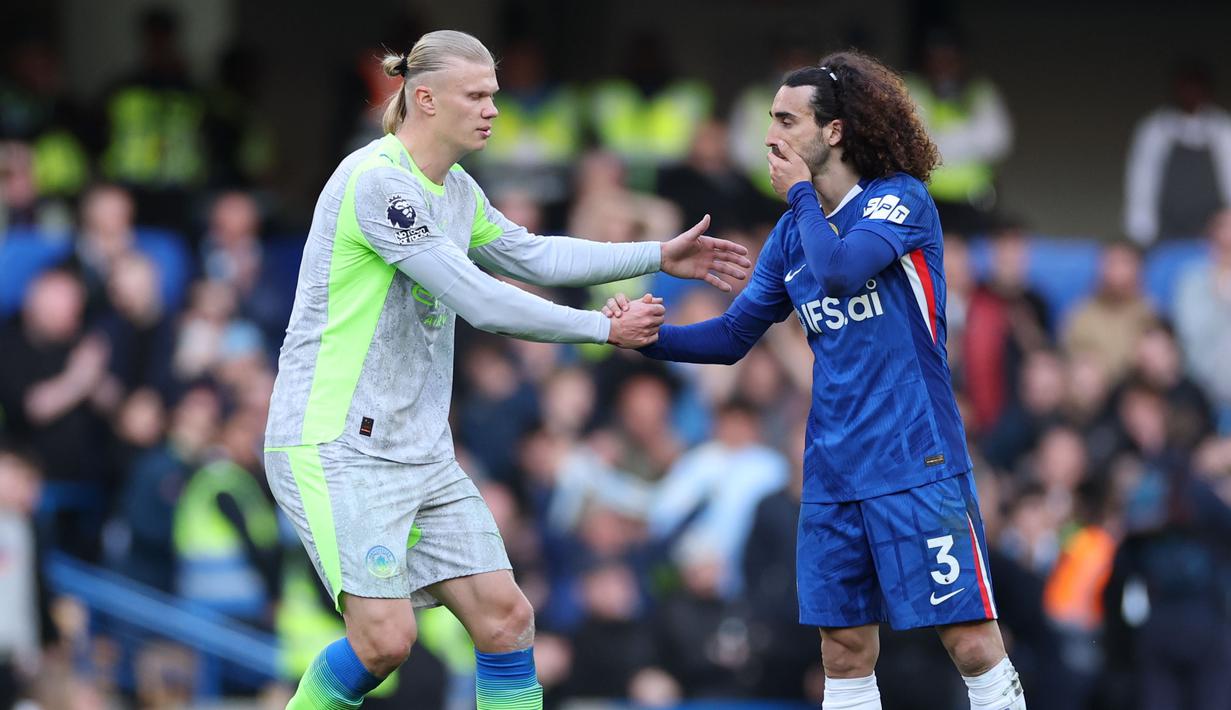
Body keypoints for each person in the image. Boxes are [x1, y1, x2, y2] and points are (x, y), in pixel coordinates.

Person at [262, 30, 751, 710]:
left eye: (495, 93)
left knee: (506, 619)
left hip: (418, 449)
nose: (495, 109)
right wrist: (600, 329)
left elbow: (532, 256)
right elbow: (479, 299)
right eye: (479, 95)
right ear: (425, 99)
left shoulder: (455, 189)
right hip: (337, 443)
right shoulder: (377, 183)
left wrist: (655, 254)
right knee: (384, 642)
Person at [607, 51, 1026, 710]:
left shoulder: (900, 201)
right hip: (832, 475)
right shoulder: (789, 235)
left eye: (786, 120)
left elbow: (838, 271)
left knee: (970, 641)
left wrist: (800, 193)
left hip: (917, 459)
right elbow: (732, 337)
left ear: (833, 131)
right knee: (843, 651)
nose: (770, 136)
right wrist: (642, 338)